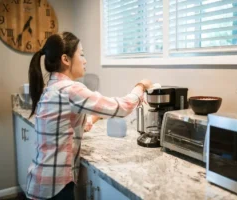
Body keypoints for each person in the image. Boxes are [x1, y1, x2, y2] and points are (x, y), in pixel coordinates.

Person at [26, 32, 152, 200]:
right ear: (65, 59)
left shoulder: (52, 87)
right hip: (55, 188)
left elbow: (66, 129)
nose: (85, 60)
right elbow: (122, 107)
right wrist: (141, 86)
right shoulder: (70, 89)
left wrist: (96, 117)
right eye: (82, 54)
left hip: (40, 181)